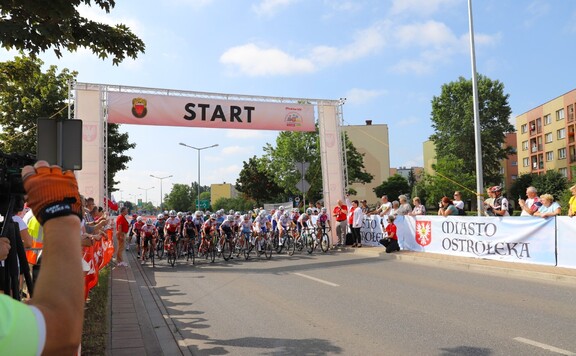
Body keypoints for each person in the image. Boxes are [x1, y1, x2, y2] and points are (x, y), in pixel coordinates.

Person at [0, 160, 84, 354]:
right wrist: (61, 216)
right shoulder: (19, 220)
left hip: (28, 260)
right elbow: (62, 334)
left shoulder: (21, 220)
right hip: (34, 259)